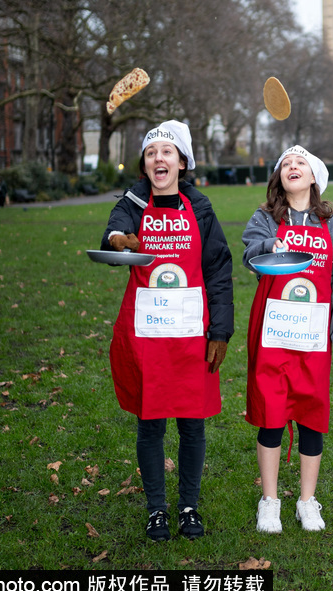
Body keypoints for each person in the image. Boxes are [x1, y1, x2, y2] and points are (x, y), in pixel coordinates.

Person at [100, 120, 234, 542]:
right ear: (145, 163)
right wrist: (121, 240)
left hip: (193, 332)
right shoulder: (134, 200)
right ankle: (157, 508)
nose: (159, 158)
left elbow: (218, 270)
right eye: (152, 151)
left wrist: (221, 331)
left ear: (182, 161)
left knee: (192, 425)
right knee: (151, 423)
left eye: (167, 151)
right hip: (147, 333)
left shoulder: (201, 207)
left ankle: (188, 506)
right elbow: (112, 232)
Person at [242, 145, 333, 534]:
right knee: (271, 414)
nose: (292, 167)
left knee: (311, 417)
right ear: (279, 178)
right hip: (273, 332)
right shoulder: (265, 218)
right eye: (286, 164)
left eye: (300, 163)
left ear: (314, 177)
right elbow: (248, 254)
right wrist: (267, 247)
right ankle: (270, 501)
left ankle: (307, 501)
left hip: (314, 335)